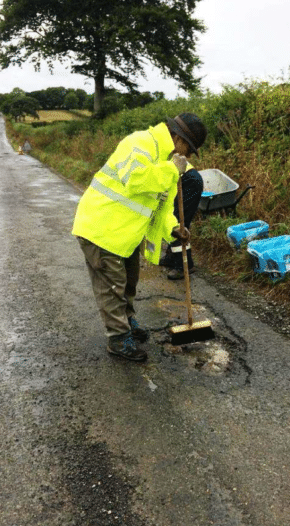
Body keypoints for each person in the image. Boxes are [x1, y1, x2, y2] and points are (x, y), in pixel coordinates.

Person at [72, 113, 207, 362]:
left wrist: (174, 229)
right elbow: (135, 181)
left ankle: (127, 322)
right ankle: (118, 339)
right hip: (101, 229)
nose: (187, 156)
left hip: (125, 234)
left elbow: (161, 206)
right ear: (178, 137)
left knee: (129, 282)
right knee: (113, 287)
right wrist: (170, 170)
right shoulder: (140, 143)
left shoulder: (166, 159)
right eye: (188, 149)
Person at [159, 165, 204, 279]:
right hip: (182, 178)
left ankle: (184, 266)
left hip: (188, 181)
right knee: (172, 218)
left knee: (178, 222)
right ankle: (172, 257)